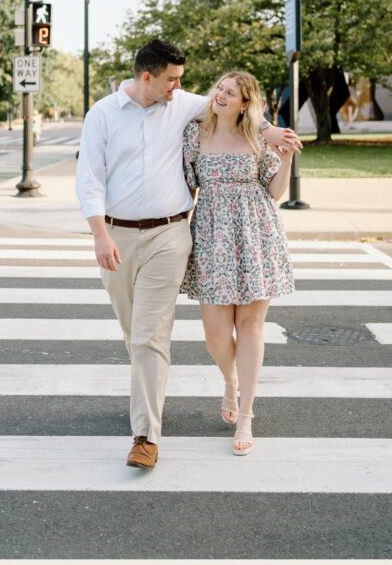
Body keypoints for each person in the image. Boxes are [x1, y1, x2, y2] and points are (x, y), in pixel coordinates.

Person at [75, 36, 299, 469]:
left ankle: (146, 435)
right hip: (122, 236)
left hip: (174, 235)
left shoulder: (182, 104)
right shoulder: (103, 115)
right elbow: (89, 179)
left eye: (182, 81)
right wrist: (99, 234)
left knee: (150, 335)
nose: (182, 88)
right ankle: (176, 390)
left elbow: (246, 113)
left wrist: (270, 133)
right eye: (173, 80)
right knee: (136, 332)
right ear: (148, 78)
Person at [181, 69, 296, 456]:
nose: (221, 95)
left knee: (250, 326)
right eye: (220, 88)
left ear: (245, 104)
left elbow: (276, 192)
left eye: (231, 92)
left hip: (256, 236)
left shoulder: (257, 138)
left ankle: (246, 414)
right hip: (212, 239)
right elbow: (184, 186)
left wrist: (286, 159)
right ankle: (230, 380)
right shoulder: (195, 133)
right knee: (216, 335)